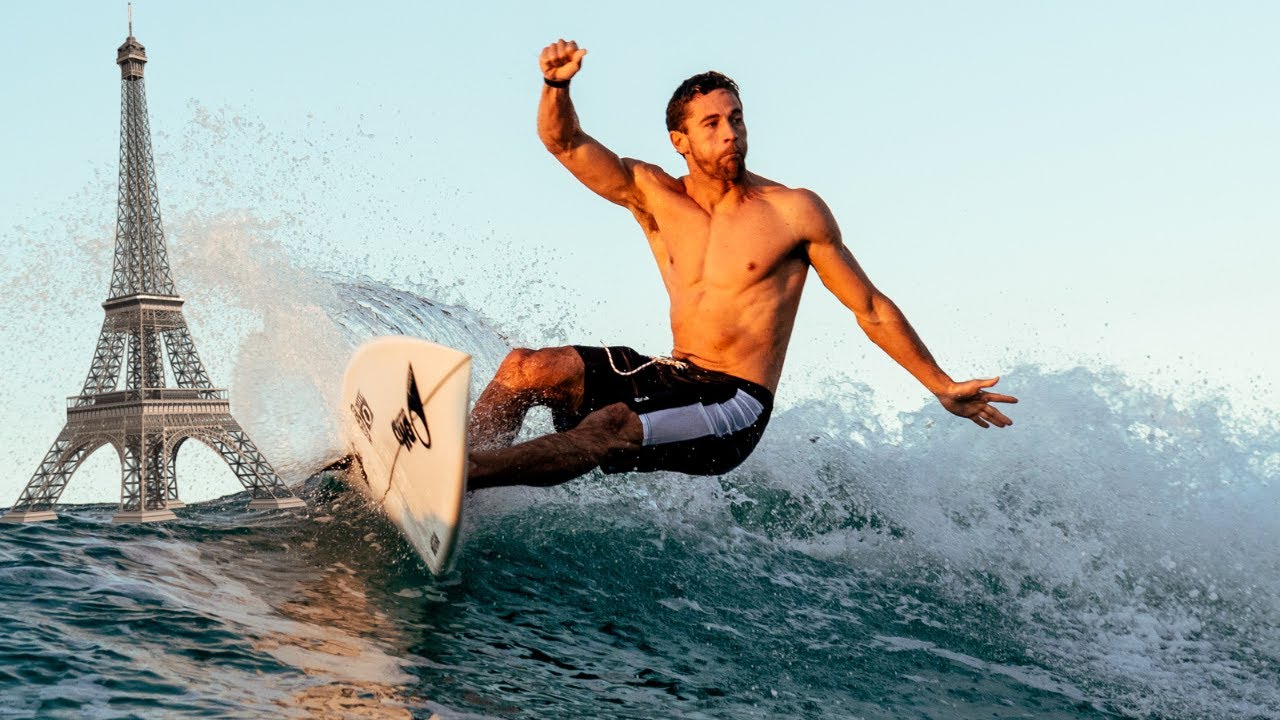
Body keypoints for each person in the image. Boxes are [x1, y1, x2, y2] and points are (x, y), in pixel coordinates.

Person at [467, 39, 1017, 490]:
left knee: (609, 427)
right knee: (526, 368)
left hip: (734, 404)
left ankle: (462, 475)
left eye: (736, 118)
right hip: (673, 373)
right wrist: (555, 86)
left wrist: (941, 384)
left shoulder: (793, 211)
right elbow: (563, 142)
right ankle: (452, 474)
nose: (730, 132)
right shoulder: (654, 195)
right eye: (711, 124)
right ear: (680, 140)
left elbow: (870, 308)